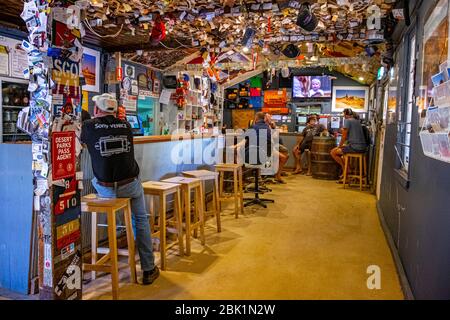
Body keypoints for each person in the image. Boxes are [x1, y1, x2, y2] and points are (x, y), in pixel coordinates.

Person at [80, 93, 159, 285]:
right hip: (130, 184)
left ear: (96, 110)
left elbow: (81, 142)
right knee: (140, 219)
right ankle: (148, 269)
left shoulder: (88, 126)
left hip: (106, 191)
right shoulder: (126, 126)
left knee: (99, 184)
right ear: (115, 111)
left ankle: (108, 255)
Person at [330, 108, 369, 181]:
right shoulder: (357, 121)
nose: (343, 116)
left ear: (346, 114)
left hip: (355, 147)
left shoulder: (347, 121)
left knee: (333, 152)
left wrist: (340, 146)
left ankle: (346, 170)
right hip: (363, 147)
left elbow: (344, 136)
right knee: (343, 155)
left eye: (344, 114)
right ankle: (347, 170)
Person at [265, 114, 289, 183]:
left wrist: (274, 127)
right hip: (267, 146)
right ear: (265, 118)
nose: (271, 119)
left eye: (270, 118)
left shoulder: (270, 126)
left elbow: (275, 137)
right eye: (269, 118)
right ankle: (277, 175)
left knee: (286, 154)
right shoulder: (264, 126)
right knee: (283, 156)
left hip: (273, 144)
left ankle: (277, 173)